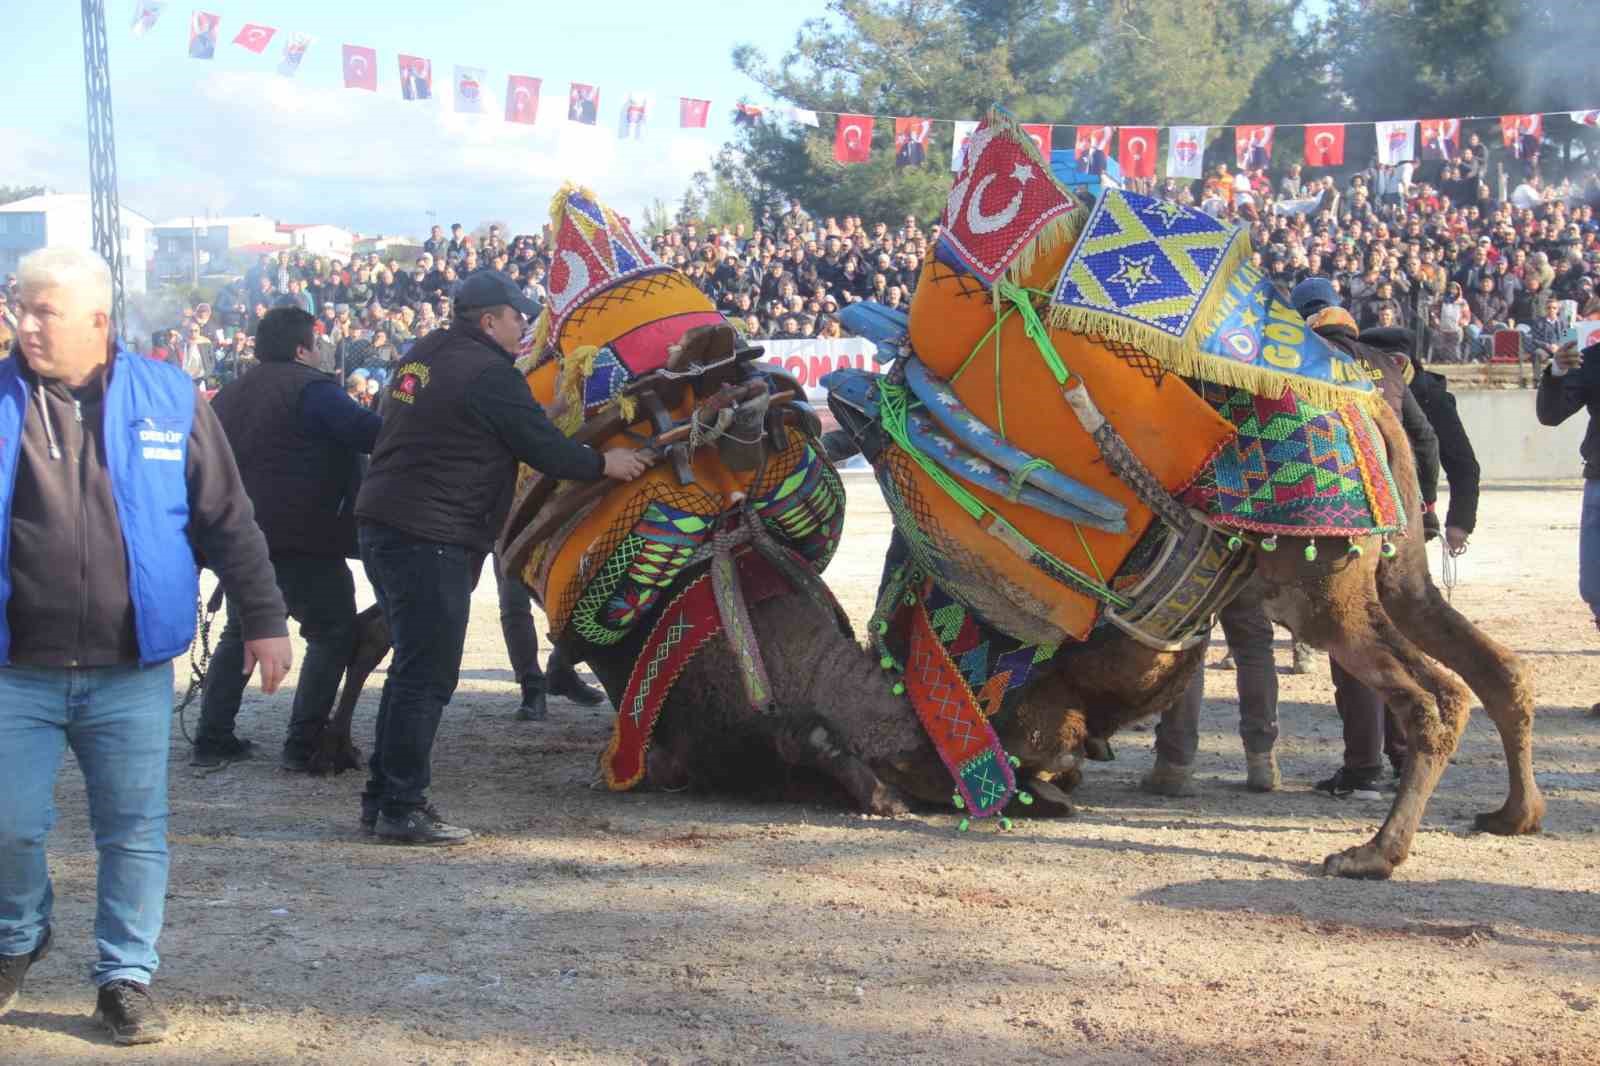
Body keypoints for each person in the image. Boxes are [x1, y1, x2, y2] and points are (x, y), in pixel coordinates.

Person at [0, 248, 291, 1043]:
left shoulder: (169, 396)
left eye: (41, 310)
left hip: (129, 671)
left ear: (97, 320)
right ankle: (18, 937)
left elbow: (226, 517)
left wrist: (264, 619)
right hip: (12, 670)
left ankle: (125, 976)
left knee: (133, 830)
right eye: (18, 306)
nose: (23, 323)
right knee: (9, 825)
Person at [352, 271, 647, 845]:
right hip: (430, 531)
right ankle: (401, 806)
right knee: (427, 674)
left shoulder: (424, 355)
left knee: (412, 667)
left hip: (384, 523)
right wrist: (603, 464)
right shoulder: (489, 373)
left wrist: (545, 408)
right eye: (518, 318)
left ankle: (382, 799)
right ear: (489, 320)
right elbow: (541, 448)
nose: (526, 328)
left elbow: (471, 418)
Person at [198, 308, 383, 770]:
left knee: (242, 633)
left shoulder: (230, 395)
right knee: (332, 633)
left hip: (240, 538)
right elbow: (370, 434)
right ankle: (304, 743)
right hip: (302, 537)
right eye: (316, 345)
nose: (320, 353)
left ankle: (212, 736)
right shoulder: (313, 389)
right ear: (303, 349)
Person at [1290, 280, 1442, 799]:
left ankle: (1362, 766)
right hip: (1397, 516)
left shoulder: (1302, 360)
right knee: (1395, 635)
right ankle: (1404, 754)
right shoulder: (1387, 364)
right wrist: (1424, 506)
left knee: (1351, 640)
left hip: (1342, 518)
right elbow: (1423, 438)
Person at [1141, 580, 1282, 796]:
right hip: (1248, 557)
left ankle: (1175, 766)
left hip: (1199, 556)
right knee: (1254, 646)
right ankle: (1262, 762)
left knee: (1189, 647)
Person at [1537, 333, 1600, 712]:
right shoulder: (1593, 359)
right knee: (1594, 587)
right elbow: (1551, 414)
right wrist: (1558, 370)